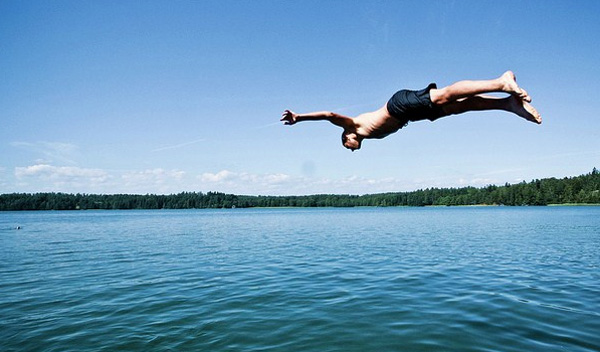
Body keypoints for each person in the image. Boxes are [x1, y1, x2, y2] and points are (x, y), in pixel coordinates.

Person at [280, 71, 541, 151]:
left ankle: (501, 82)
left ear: (345, 136)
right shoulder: (367, 136)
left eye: (345, 145)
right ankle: (507, 104)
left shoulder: (353, 125)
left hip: (399, 104)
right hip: (409, 116)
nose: (349, 148)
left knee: (447, 94)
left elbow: (328, 115)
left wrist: (299, 118)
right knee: (457, 109)